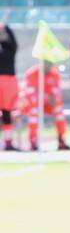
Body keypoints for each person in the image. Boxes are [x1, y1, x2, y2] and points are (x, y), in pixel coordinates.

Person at [20, 61, 70, 151]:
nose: (48, 65)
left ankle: (61, 140)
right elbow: (29, 93)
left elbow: (57, 91)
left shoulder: (54, 74)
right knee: (34, 112)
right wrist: (45, 96)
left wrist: (54, 98)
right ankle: (33, 140)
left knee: (59, 111)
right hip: (34, 104)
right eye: (46, 62)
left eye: (50, 63)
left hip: (48, 105)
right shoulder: (32, 73)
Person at [0, 23, 19, 151]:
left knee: (7, 112)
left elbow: (13, 40)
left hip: (9, 81)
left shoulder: (9, 47)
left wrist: (4, 27)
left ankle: (8, 141)